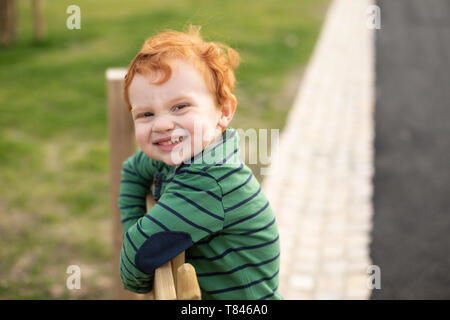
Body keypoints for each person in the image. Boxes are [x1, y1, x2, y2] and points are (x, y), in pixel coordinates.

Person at [118, 25, 281, 300]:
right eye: (146, 114)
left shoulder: (211, 181)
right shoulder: (180, 155)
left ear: (223, 111)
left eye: (180, 106)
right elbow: (132, 171)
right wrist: (136, 226)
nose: (162, 124)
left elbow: (137, 255)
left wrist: (135, 245)